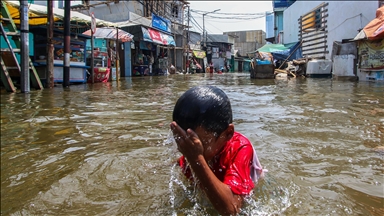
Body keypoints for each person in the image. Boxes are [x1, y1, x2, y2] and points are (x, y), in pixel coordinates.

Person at [170, 86, 265, 215]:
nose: (185, 148)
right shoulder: (192, 149)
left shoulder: (240, 148)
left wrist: (196, 158)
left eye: (198, 144)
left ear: (227, 133)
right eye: (181, 140)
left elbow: (231, 210)